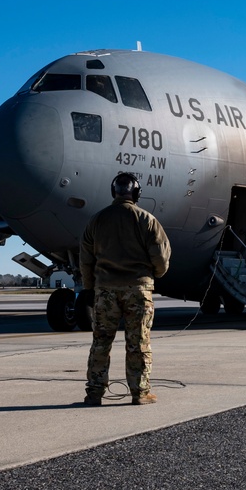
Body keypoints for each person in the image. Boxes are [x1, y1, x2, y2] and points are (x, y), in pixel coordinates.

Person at [81, 172, 171, 406]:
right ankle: (139, 393)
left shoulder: (97, 221)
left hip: (105, 291)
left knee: (101, 342)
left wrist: (89, 287)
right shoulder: (147, 220)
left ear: (114, 193)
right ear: (137, 193)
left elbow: (86, 259)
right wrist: (154, 275)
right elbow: (160, 256)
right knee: (138, 342)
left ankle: (94, 393)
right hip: (138, 291)